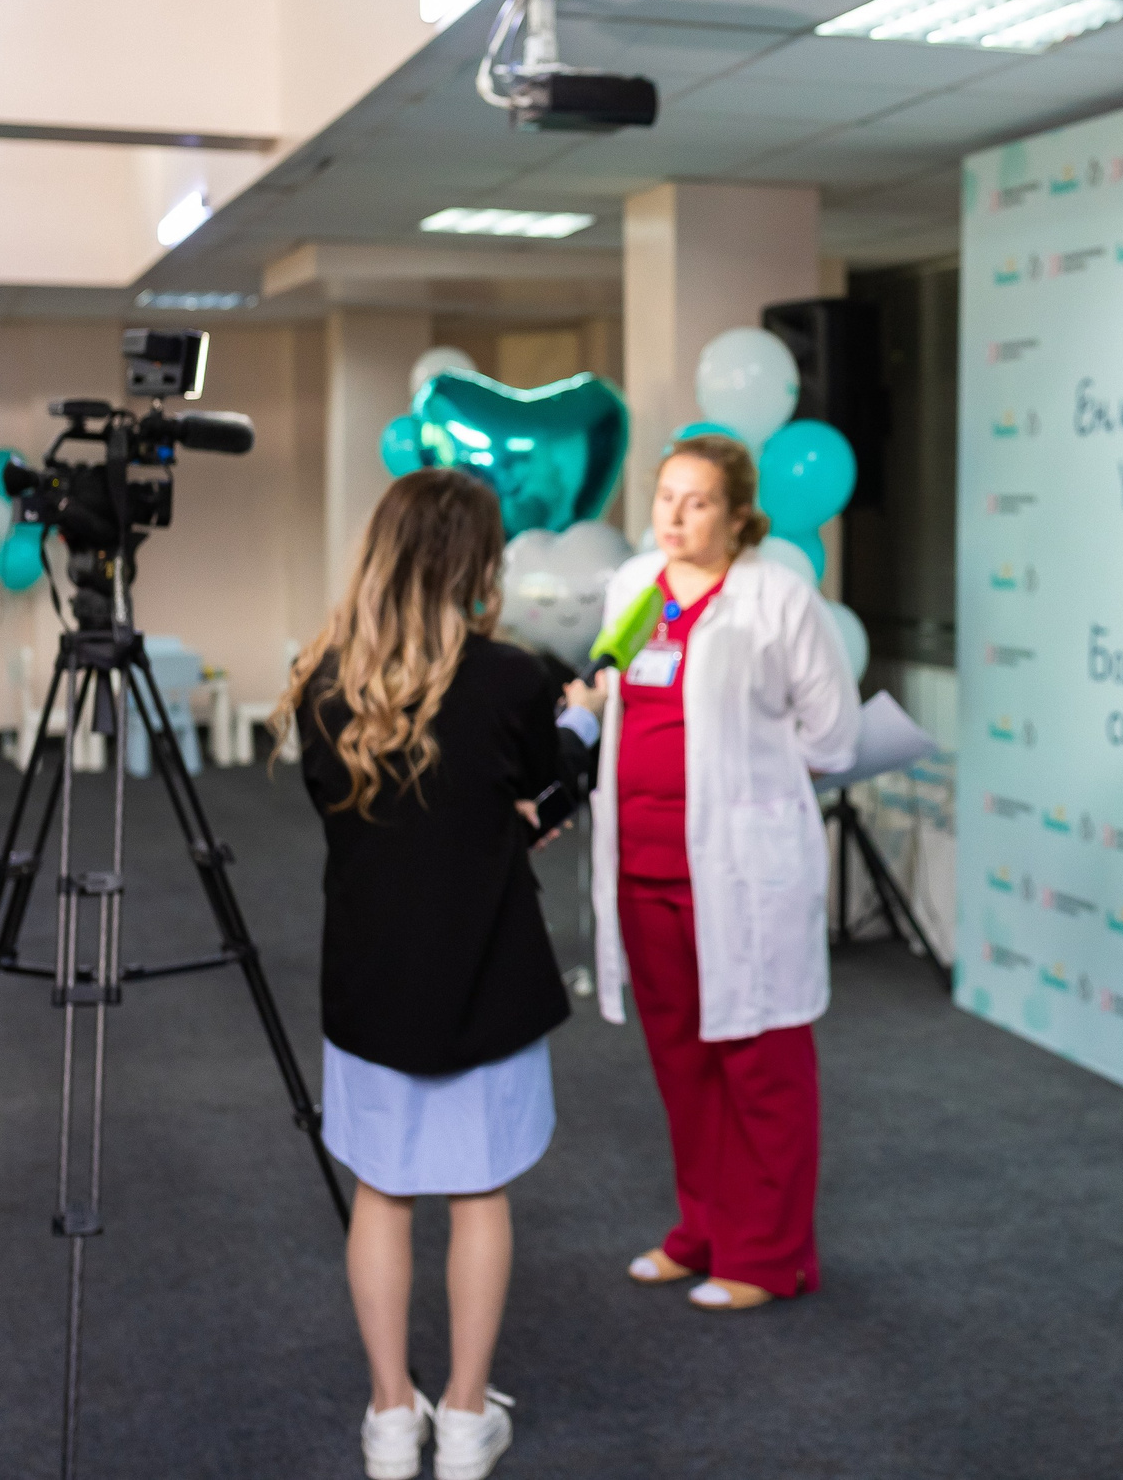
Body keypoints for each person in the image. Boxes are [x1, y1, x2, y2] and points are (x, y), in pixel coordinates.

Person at [277, 467, 571, 1480]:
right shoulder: (513, 679)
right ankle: (462, 1419)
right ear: (477, 565)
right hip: (487, 976)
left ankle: (390, 1417)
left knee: (383, 1194)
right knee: (477, 1193)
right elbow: (548, 788)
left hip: (371, 983)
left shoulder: (325, 685)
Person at [570, 434, 859, 1313]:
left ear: (738, 515)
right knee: (682, 1060)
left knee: (760, 1061)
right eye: (665, 497)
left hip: (741, 872)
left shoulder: (777, 593)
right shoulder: (632, 590)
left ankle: (769, 1255)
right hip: (644, 868)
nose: (675, 515)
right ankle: (701, 1230)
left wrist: (755, 786)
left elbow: (832, 732)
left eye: (697, 501)